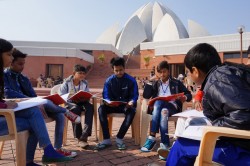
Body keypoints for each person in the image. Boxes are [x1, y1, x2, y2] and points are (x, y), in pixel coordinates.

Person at [165, 43, 250, 165]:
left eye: (188, 72)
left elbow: (243, 115)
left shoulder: (217, 79)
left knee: (181, 147)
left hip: (243, 151)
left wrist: (213, 127)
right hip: (242, 143)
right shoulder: (227, 73)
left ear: (195, 71)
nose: (188, 75)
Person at [0, 38, 73, 165]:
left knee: (36, 112)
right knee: (34, 118)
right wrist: (5, 104)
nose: (11, 58)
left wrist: (34, 101)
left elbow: (32, 95)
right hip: (4, 117)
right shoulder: (5, 75)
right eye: (8, 54)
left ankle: (38, 157)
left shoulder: (21, 78)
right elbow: (7, 94)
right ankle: (47, 152)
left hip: (10, 113)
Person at [140, 60, 192, 160]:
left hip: (172, 107)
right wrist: (150, 81)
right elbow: (146, 95)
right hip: (160, 109)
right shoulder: (155, 83)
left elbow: (188, 94)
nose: (162, 74)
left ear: (168, 71)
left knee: (159, 104)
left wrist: (184, 98)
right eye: (160, 72)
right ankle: (165, 145)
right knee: (163, 111)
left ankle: (152, 137)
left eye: (164, 72)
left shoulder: (176, 83)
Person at [94, 57, 139, 150]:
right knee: (101, 109)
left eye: (121, 70)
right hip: (112, 106)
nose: (119, 72)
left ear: (124, 68)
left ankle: (119, 138)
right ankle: (106, 139)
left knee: (132, 111)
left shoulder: (131, 80)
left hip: (125, 106)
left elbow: (135, 95)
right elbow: (105, 95)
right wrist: (108, 102)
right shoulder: (109, 81)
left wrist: (131, 101)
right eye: (116, 70)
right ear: (113, 70)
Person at [59, 64, 94, 148]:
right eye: (80, 73)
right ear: (74, 73)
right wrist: (71, 99)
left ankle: (84, 135)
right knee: (76, 109)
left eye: (83, 73)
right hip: (70, 103)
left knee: (90, 107)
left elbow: (87, 93)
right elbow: (61, 96)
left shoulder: (85, 82)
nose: (82, 75)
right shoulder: (66, 83)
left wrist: (85, 97)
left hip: (82, 102)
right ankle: (79, 137)